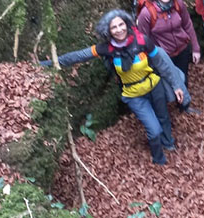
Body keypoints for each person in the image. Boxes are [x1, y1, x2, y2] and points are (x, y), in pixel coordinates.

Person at [43, 10, 184, 166]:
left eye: (121, 25)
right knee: (154, 129)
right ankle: (159, 159)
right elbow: (79, 56)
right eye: (114, 27)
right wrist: (50, 63)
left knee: (163, 116)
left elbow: (161, 64)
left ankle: (168, 143)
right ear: (108, 31)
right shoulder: (107, 48)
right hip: (134, 95)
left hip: (154, 86)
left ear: (127, 24)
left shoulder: (142, 41)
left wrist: (176, 85)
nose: (119, 30)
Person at [136, 0, 200, 114]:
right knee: (168, 81)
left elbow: (188, 25)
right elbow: (143, 39)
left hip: (182, 48)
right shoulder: (147, 13)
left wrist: (196, 48)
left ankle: (184, 106)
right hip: (163, 55)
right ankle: (164, 111)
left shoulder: (178, 4)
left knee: (183, 76)